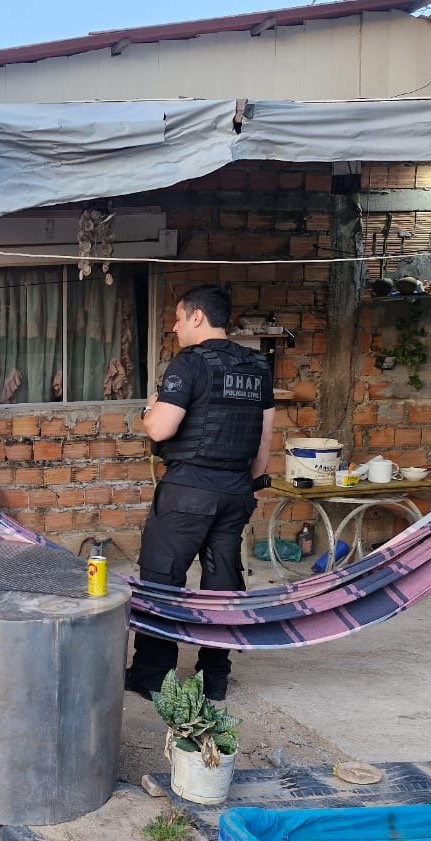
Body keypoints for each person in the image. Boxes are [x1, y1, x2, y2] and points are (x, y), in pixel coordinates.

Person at [124, 285, 274, 702]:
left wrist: (149, 409)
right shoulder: (257, 365)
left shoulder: (189, 363)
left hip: (189, 491)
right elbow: (264, 440)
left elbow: (160, 429)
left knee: (161, 579)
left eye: (177, 317)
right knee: (223, 584)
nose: (173, 326)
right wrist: (249, 483)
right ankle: (215, 676)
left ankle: (153, 675)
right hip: (236, 491)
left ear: (197, 317)